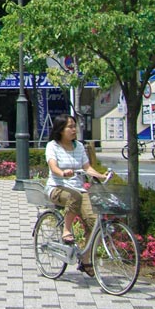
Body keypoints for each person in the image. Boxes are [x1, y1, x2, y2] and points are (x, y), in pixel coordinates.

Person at [45, 113, 108, 276]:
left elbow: (87, 168)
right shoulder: (53, 146)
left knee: (94, 223)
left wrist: (100, 175)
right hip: (57, 187)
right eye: (70, 127)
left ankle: (86, 259)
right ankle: (66, 230)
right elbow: (53, 167)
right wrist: (62, 173)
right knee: (75, 197)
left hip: (78, 189)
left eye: (74, 126)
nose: (74, 130)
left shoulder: (79, 146)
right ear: (60, 130)